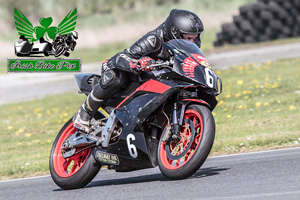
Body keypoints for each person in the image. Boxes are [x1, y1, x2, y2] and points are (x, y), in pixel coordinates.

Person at [73, 9, 204, 133]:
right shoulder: (154, 39)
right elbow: (122, 57)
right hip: (124, 70)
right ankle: (84, 113)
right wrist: (136, 63)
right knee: (115, 78)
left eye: (194, 38)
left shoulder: (186, 49)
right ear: (175, 32)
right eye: (188, 38)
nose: (192, 42)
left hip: (154, 80)